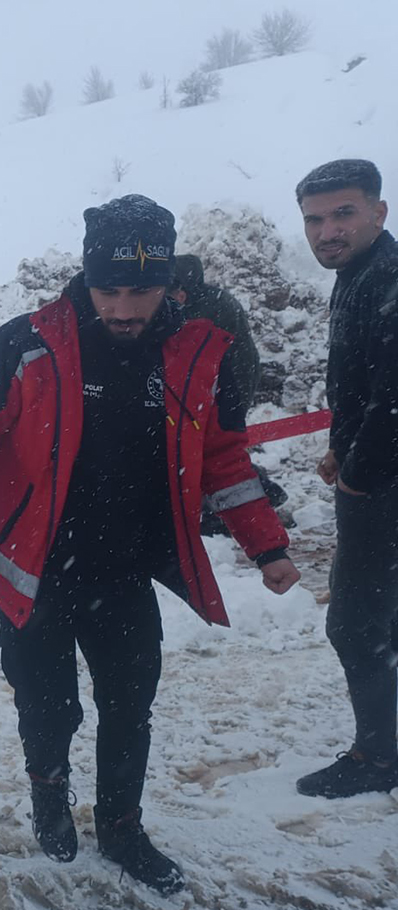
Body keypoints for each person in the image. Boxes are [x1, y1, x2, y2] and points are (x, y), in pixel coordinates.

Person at [0, 195, 299, 896]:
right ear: (84, 279)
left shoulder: (193, 353)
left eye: (142, 291)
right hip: (33, 571)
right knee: (49, 704)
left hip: (124, 569)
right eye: (109, 290)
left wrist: (266, 546)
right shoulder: (22, 346)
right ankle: (48, 789)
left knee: (130, 704)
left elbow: (224, 458)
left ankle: (123, 826)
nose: (124, 309)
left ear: (170, 284)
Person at [293, 159, 398, 799]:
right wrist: (341, 446)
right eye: (314, 219)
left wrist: (357, 474)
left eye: (343, 213)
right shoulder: (360, 274)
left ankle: (377, 758)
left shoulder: (389, 281)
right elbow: (360, 384)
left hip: (384, 488)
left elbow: (393, 401)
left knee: (356, 623)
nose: (327, 230)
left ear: (378, 212)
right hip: (373, 473)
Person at [168, 255, 287, 536]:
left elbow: (189, 350)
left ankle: (250, 501)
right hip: (228, 381)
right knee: (212, 449)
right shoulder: (208, 299)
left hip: (226, 386)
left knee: (214, 449)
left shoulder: (208, 306)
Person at [169, 254, 262, 407]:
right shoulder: (203, 300)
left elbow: (239, 364)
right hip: (232, 378)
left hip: (229, 386)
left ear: (180, 295)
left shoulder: (212, 311)